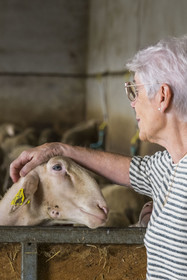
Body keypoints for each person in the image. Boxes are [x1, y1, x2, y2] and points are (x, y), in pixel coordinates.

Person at [10, 35, 187, 280]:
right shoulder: (169, 164)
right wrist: (59, 150)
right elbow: (129, 170)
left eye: (135, 91)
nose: (133, 104)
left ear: (163, 96)